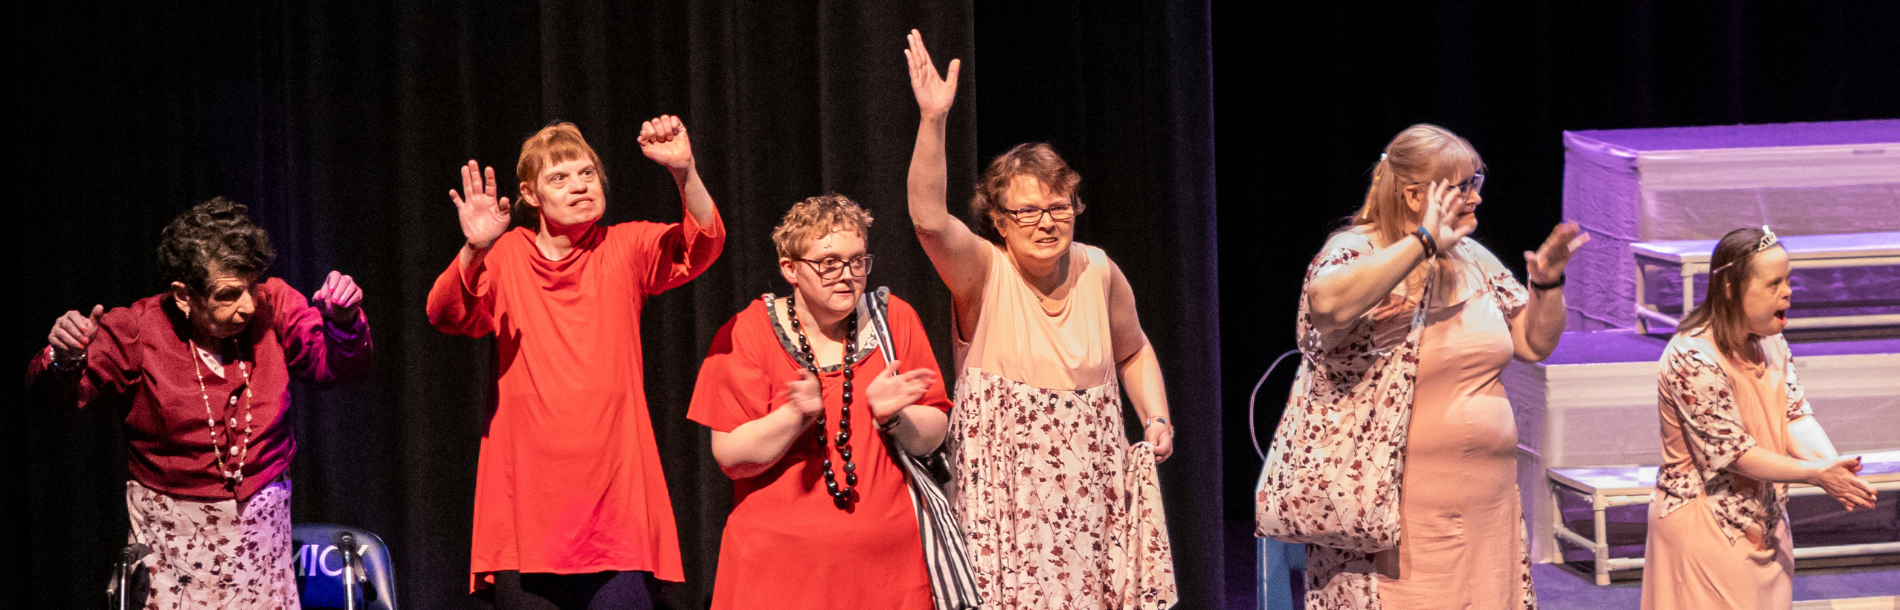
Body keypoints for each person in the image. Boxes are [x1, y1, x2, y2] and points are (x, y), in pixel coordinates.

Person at [903, 30, 1177, 608]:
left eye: (1059, 207)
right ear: (998, 221)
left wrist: (1155, 418)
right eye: (1028, 210)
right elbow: (929, 220)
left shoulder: (1098, 271)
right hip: (1007, 506)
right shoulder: (983, 270)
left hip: (1092, 499)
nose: (1047, 222)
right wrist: (933, 120)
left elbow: (1133, 350)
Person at [426, 118, 724, 609]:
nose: (580, 185)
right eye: (560, 178)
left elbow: (702, 243)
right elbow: (448, 314)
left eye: (587, 173)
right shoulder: (508, 256)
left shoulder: (624, 247)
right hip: (527, 514)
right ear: (531, 195)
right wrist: (475, 248)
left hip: (616, 510)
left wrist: (683, 172)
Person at [1286, 124, 1586, 609]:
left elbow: (1533, 342)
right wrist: (1423, 242)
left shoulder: (1473, 258)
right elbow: (1328, 305)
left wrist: (1547, 283)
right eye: (1462, 187)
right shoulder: (1356, 250)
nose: (1476, 198)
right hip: (1396, 512)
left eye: (1477, 183)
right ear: (1412, 195)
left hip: (1486, 506)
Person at [27, 197, 373, 608]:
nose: (246, 305)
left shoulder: (274, 306)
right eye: (227, 295)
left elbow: (334, 366)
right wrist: (64, 358)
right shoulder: (139, 330)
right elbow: (56, 400)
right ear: (183, 295)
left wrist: (344, 322)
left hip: (262, 557)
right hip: (171, 561)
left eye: (250, 287)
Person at [687, 194, 951, 610]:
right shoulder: (746, 331)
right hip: (777, 575)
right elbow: (730, 455)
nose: (847, 276)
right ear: (790, 268)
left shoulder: (893, 319)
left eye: (858, 261)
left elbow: (934, 431)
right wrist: (794, 416)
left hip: (885, 575)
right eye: (829, 263)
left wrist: (895, 417)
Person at [1641, 226, 1876, 610]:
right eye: (1773, 284)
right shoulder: (1692, 358)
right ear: (1731, 290)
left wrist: (1831, 466)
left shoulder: (1770, 341)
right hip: (1707, 528)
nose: (1787, 292)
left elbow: (1794, 415)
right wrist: (1814, 474)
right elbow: (1736, 453)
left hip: (1765, 521)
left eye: (1787, 280)